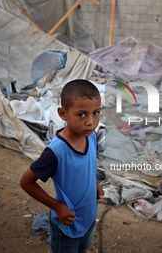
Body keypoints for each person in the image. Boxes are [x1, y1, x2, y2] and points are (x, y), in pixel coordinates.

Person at [20, 79, 104, 253]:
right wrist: (57, 206)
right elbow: (26, 182)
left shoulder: (91, 136)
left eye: (95, 113)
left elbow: (89, 163)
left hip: (88, 218)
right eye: (81, 114)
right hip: (67, 225)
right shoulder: (56, 152)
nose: (90, 122)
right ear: (63, 114)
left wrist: (94, 183)